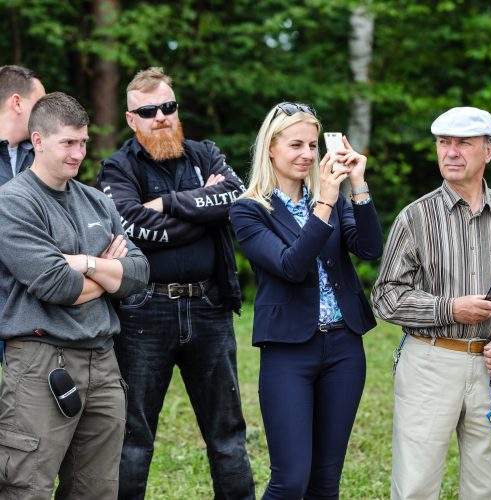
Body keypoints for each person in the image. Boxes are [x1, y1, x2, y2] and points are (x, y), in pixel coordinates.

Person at [98, 67, 255, 500]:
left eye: (168, 107)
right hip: (143, 312)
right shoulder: (118, 166)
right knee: (133, 438)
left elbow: (237, 199)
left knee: (227, 434)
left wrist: (167, 202)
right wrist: (202, 214)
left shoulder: (205, 153)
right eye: (148, 111)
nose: (161, 117)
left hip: (210, 308)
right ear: (132, 119)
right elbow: (132, 226)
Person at [229, 102, 384, 499]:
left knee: (325, 482)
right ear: (271, 148)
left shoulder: (331, 197)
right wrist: (325, 203)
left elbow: (368, 248)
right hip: (288, 351)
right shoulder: (249, 210)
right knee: (290, 480)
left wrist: (359, 186)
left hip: (344, 348)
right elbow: (291, 266)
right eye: (296, 144)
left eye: (313, 145)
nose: (308, 155)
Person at [0, 92, 150, 499]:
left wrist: (82, 264)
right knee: (26, 486)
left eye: (82, 142)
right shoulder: (13, 202)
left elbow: (138, 274)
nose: (78, 153)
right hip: (40, 362)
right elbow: (55, 286)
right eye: (68, 142)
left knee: (96, 489)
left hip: (103, 362)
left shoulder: (98, 201)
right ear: (38, 140)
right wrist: (106, 270)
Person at [371, 106, 491, 499]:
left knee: (489, 486)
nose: (451, 152)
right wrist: (449, 309)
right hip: (430, 361)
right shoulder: (416, 217)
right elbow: (385, 295)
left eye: (464, 142)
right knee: (415, 486)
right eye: (444, 142)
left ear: (488, 151)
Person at [0, 64, 45, 362]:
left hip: (26, 306)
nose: (46, 114)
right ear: (17, 102)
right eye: (40, 104)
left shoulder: (41, 154)